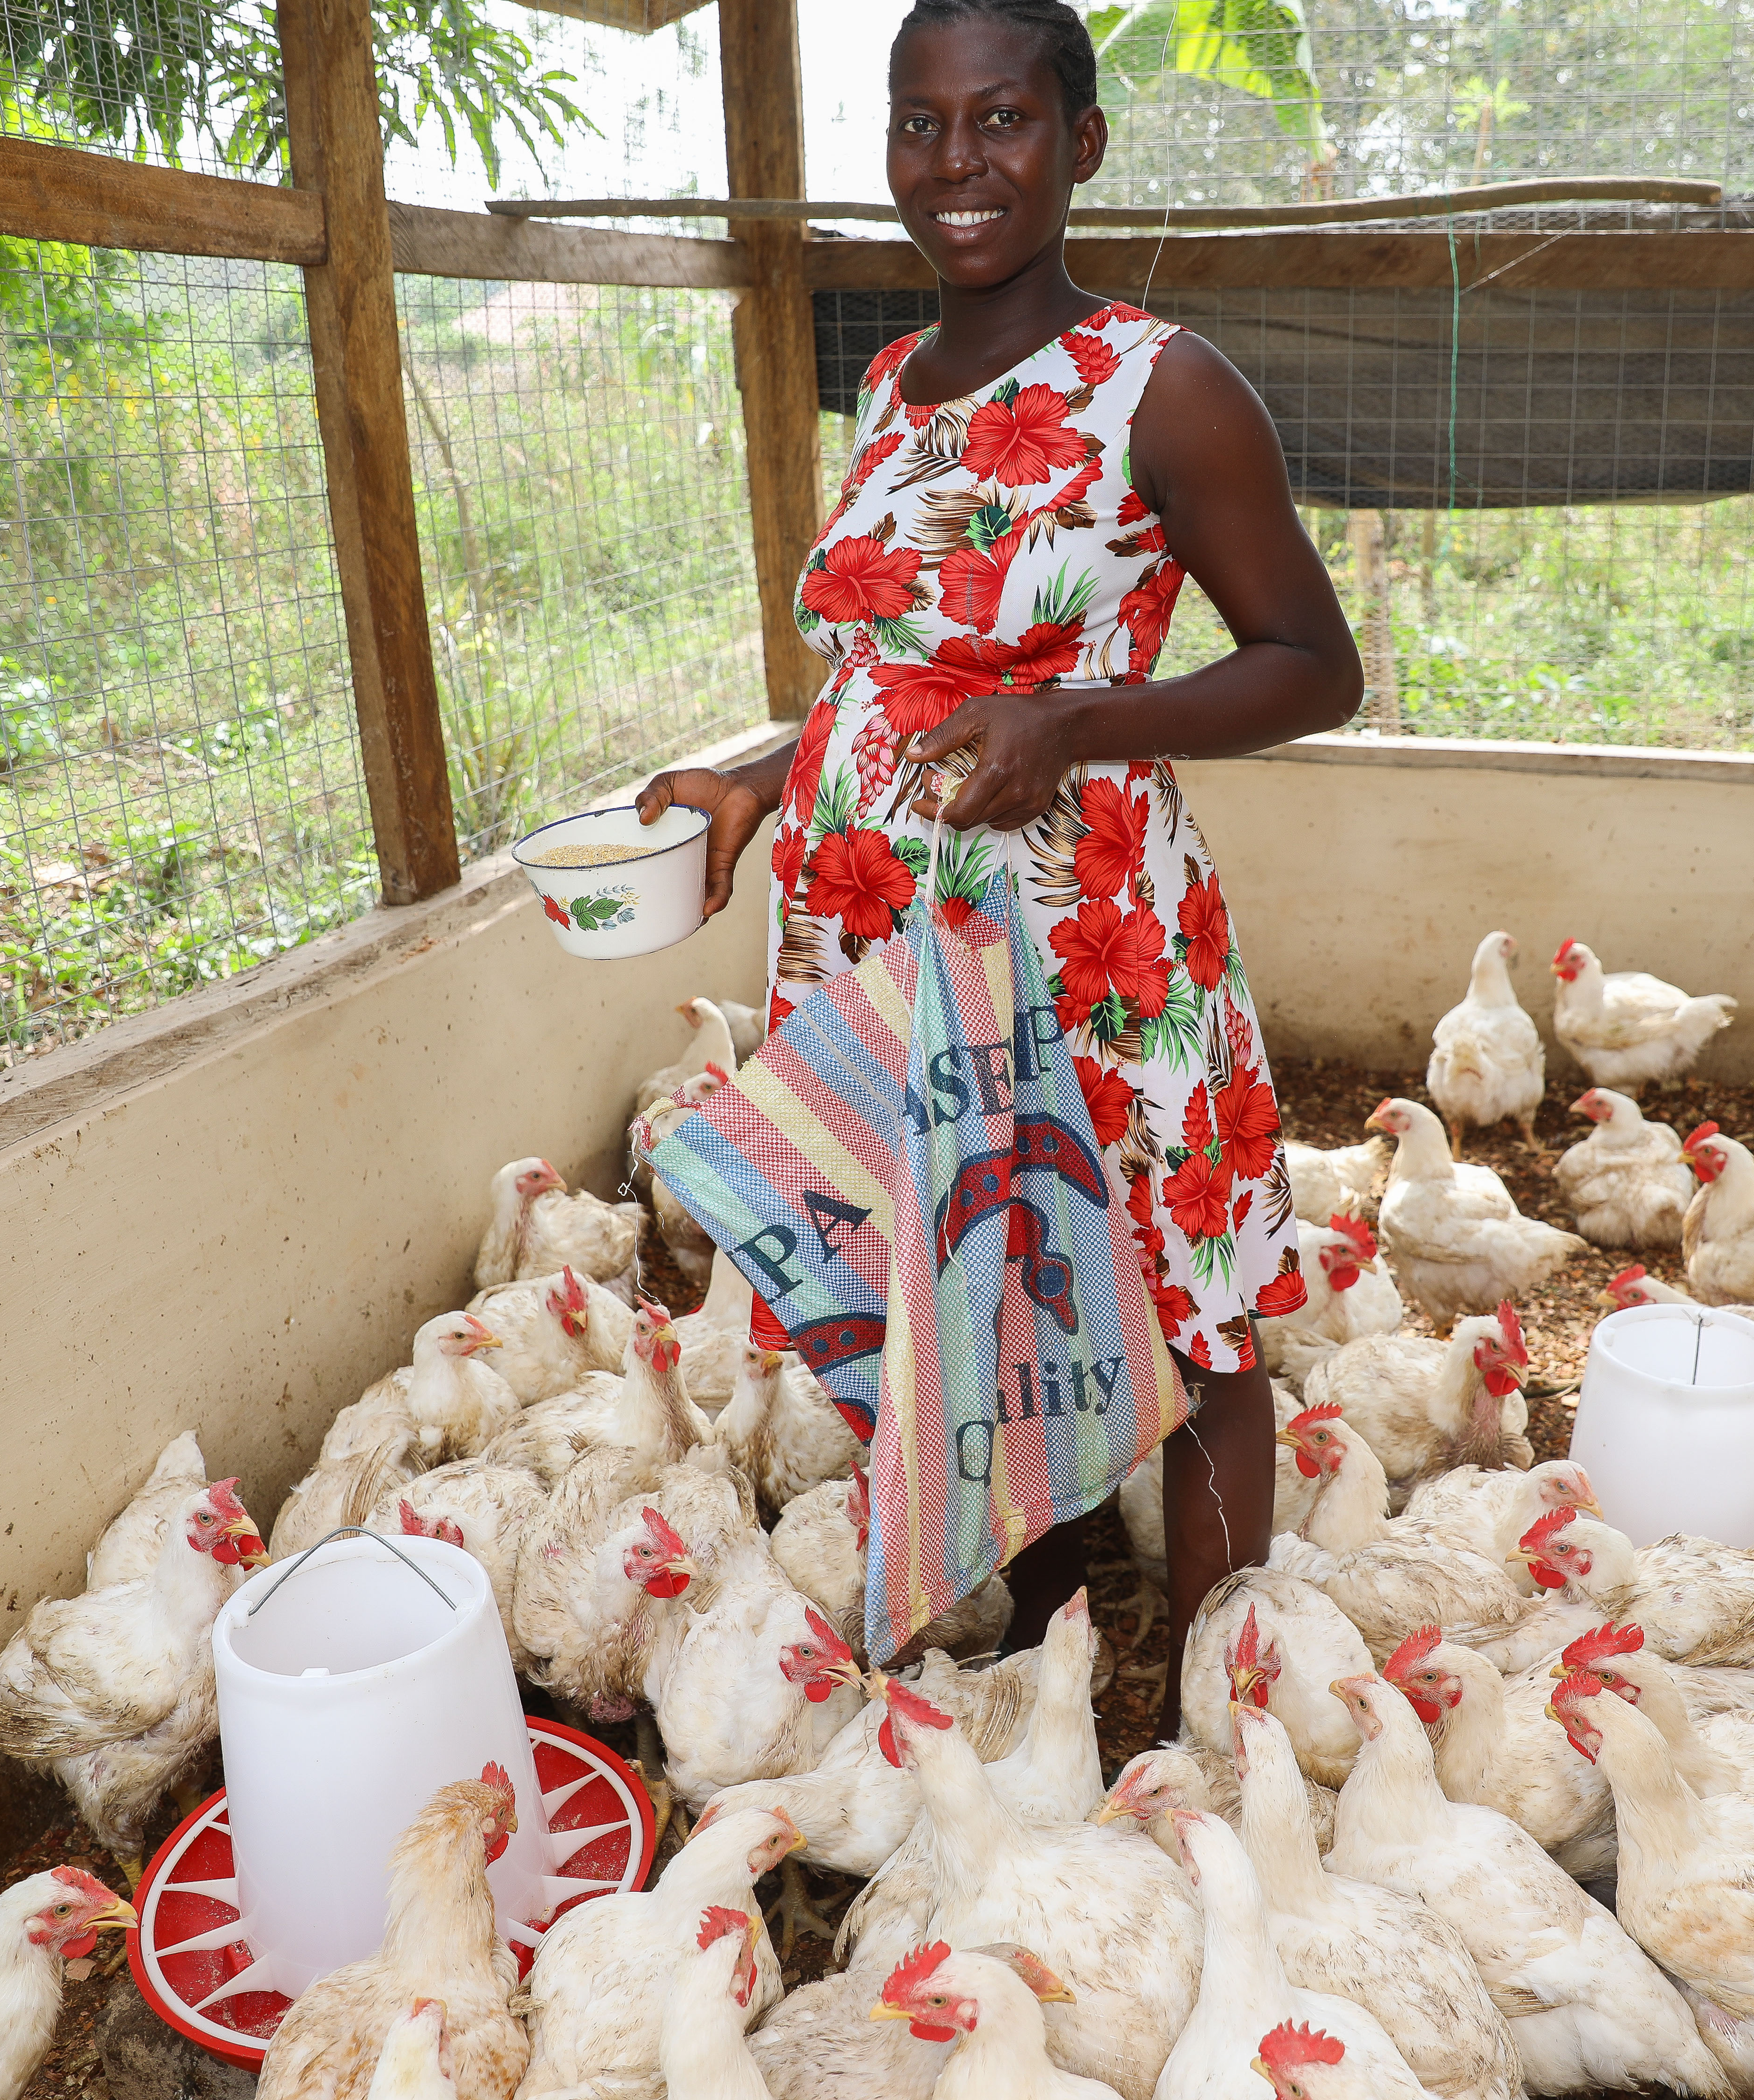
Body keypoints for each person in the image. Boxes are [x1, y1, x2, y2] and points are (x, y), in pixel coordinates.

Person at [636, 0, 1360, 1730]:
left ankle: (1214, 1709)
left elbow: (1312, 665)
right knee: (969, 1288)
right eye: (920, 126)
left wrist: (1078, 720)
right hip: (885, 933)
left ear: (1080, 145)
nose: (956, 166)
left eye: (1003, 121)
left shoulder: (1162, 385)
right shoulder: (893, 382)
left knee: (1186, 1301)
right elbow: (889, 666)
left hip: (1082, 922)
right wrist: (756, 781)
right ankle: (1051, 1650)